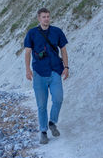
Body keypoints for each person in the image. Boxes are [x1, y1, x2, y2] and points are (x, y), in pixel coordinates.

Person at [24, 8, 69, 144]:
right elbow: (27, 52)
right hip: (39, 73)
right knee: (41, 105)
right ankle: (43, 131)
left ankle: (52, 122)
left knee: (58, 98)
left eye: (48, 16)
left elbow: (63, 50)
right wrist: (28, 69)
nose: (46, 19)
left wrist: (66, 67)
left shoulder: (57, 31)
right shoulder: (32, 33)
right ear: (39, 18)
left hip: (55, 70)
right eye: (44, 17)